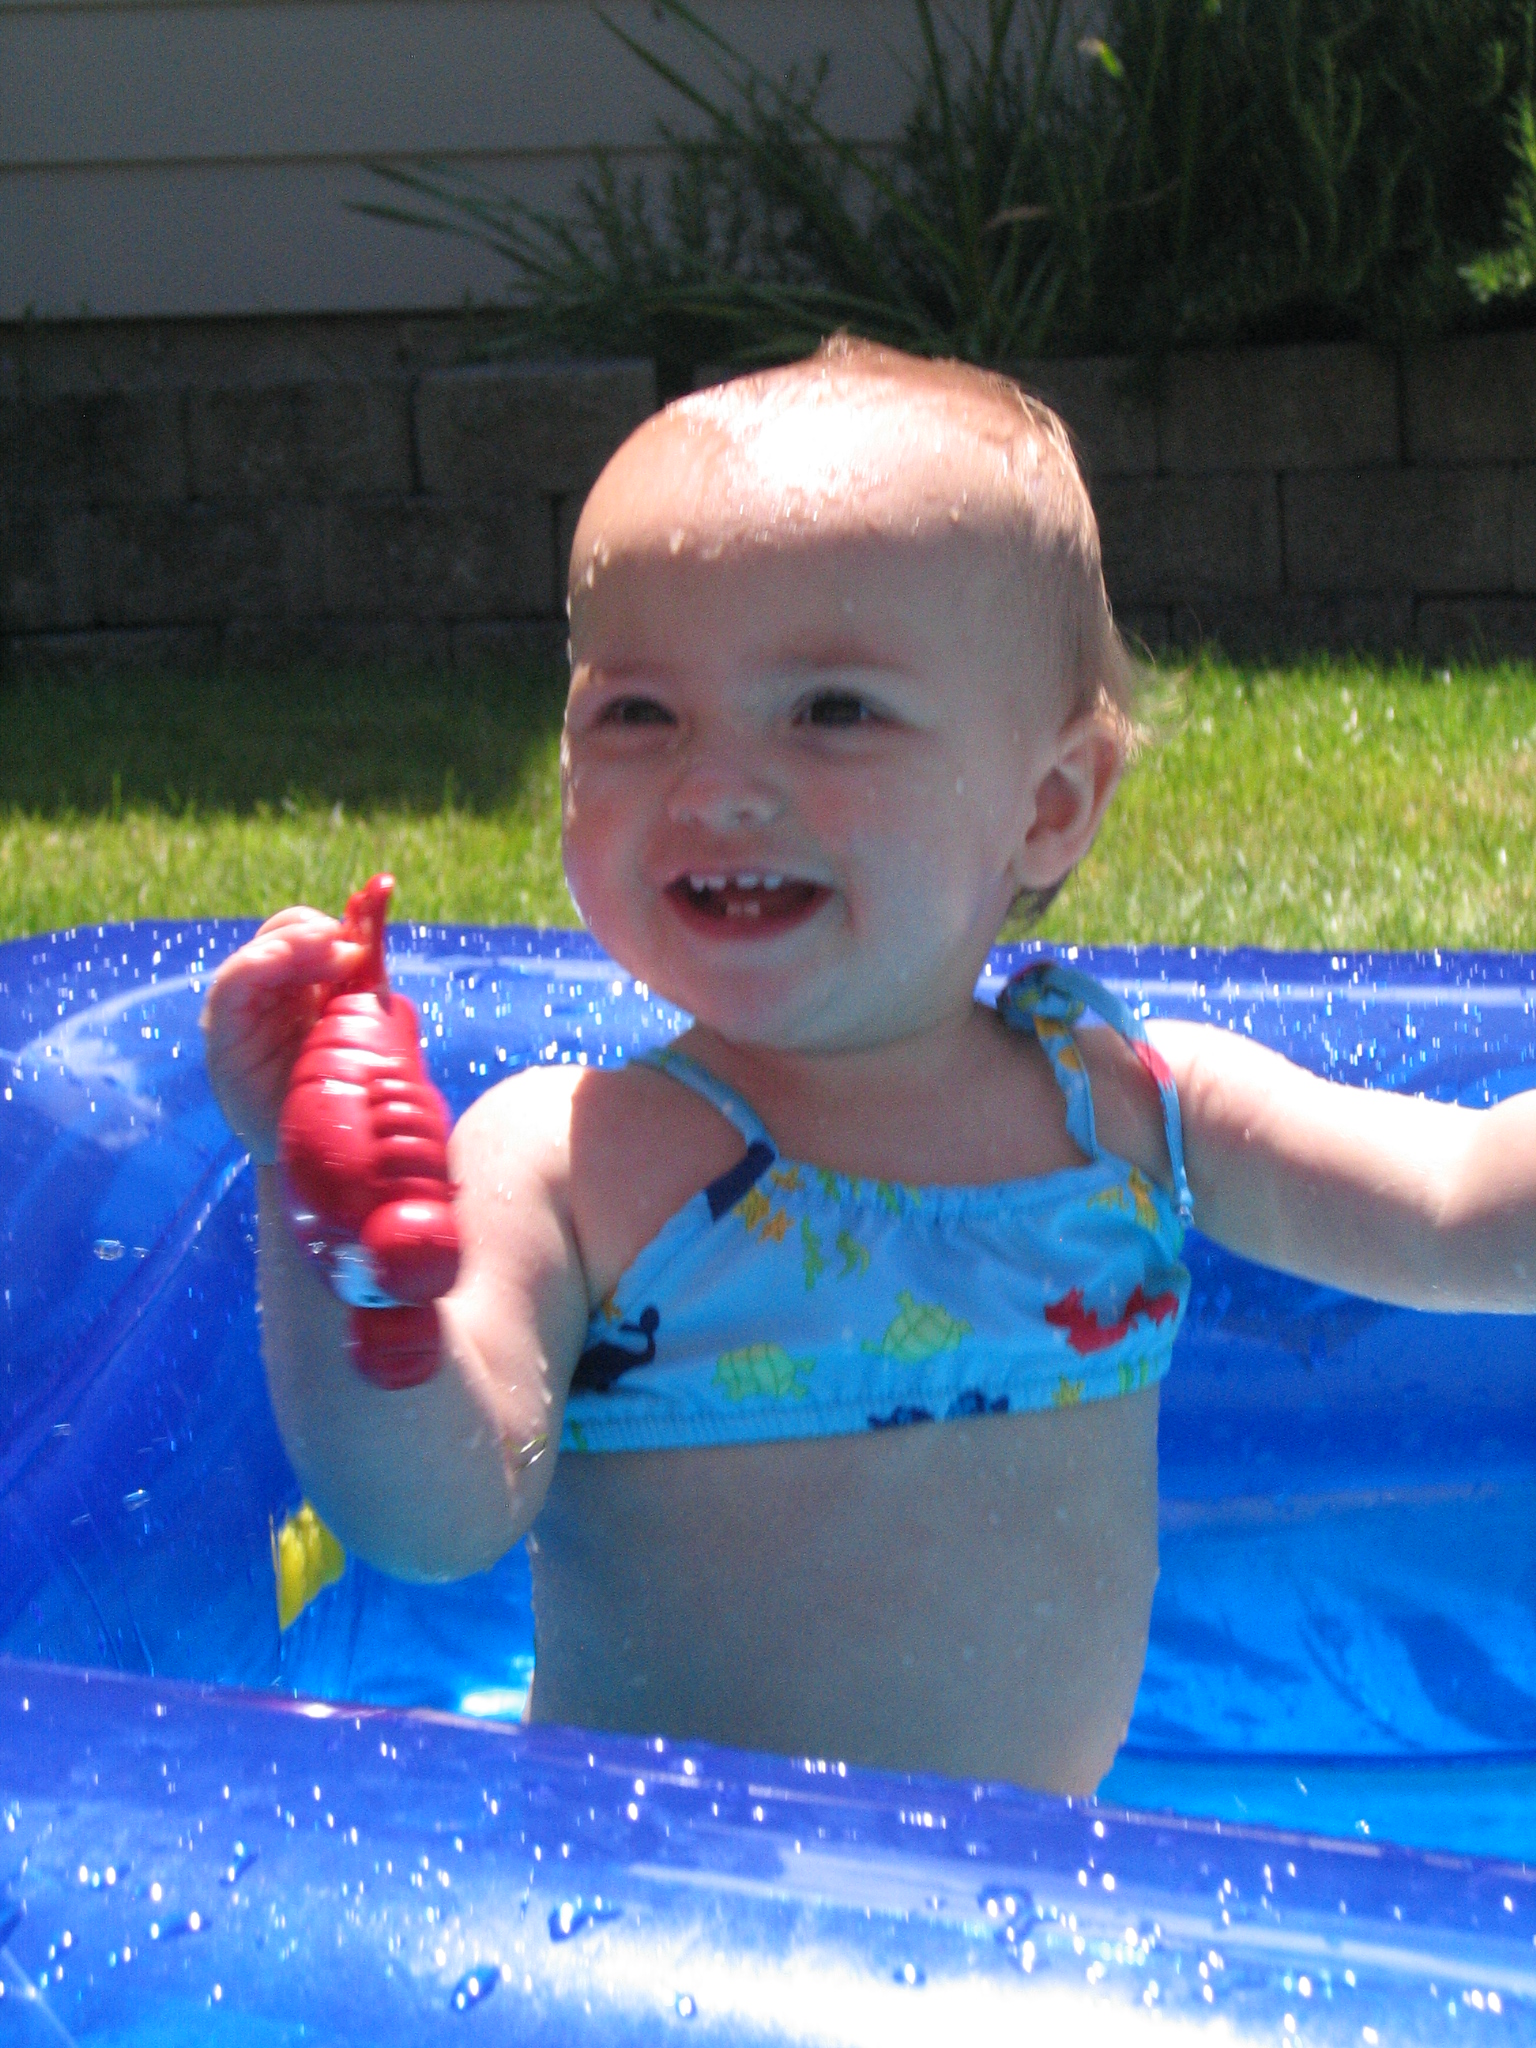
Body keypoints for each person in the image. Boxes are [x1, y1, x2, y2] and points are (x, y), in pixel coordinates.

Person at [202, 338, 1536, 1795]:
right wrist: (344, 1252)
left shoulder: (1134, 1111)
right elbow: (433, 1519)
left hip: (1015, 1951)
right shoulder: (580, 1162)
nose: (714, 783)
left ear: (1050, 805)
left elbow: (1464, 1207)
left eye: (832, 708)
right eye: (636, 712)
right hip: (656, 1945)